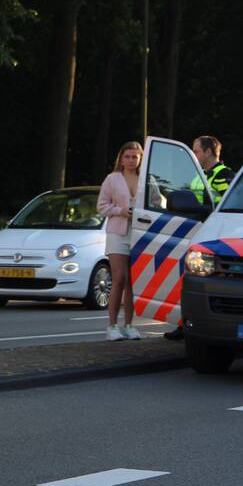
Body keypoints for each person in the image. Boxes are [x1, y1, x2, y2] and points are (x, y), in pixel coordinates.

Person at [165, 135, 235, 341]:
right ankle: (185, 323)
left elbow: (228, 203)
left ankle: (193, 325)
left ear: (208, 152)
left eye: (196, 151)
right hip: (194, 232)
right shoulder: (201, 175)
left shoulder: (224, 174)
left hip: (212, 236)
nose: (194, 155)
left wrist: (205, 209)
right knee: (186, 281)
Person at [97, 142, 143, 341]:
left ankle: (130, 325)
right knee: (119, 278)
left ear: (141, 158)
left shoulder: (146, 179)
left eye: (135, 157)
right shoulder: (112, 178)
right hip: (118, 233)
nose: (131, 160)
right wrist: (120, 211)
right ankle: (112, 325)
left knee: (132, 282)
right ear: (121, 159)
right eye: (128, 157)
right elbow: (101, 206)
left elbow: (159, 202)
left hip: (139, 234)